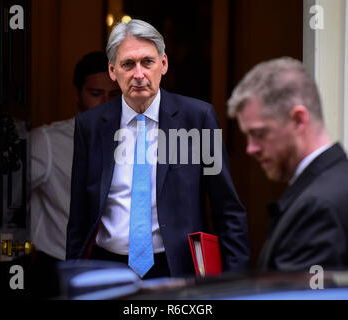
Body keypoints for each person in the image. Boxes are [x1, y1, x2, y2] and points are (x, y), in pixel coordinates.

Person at [67, 19, 250, 278]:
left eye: (147, 62)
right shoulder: (91, 125)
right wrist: (73, 279)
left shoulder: (197, 119)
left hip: (175, 268)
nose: (138, 74)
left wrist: (235, 283)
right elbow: (79, 215)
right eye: (128, 64)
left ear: (163, 64)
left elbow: (227, 209)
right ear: (112, 70)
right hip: (105, 266)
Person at [227, 57, 348, 272]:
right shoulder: (340, 179)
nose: (251, 149)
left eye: (259, 134)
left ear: (298, 119)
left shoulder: (319, 206)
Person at [30, 52, 121, 262]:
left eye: (114, 95)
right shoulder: (47, 142)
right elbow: (8, 203)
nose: (106, 103)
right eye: (96, 93)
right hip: (57, 265)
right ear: (77, 95)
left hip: (114, 268)